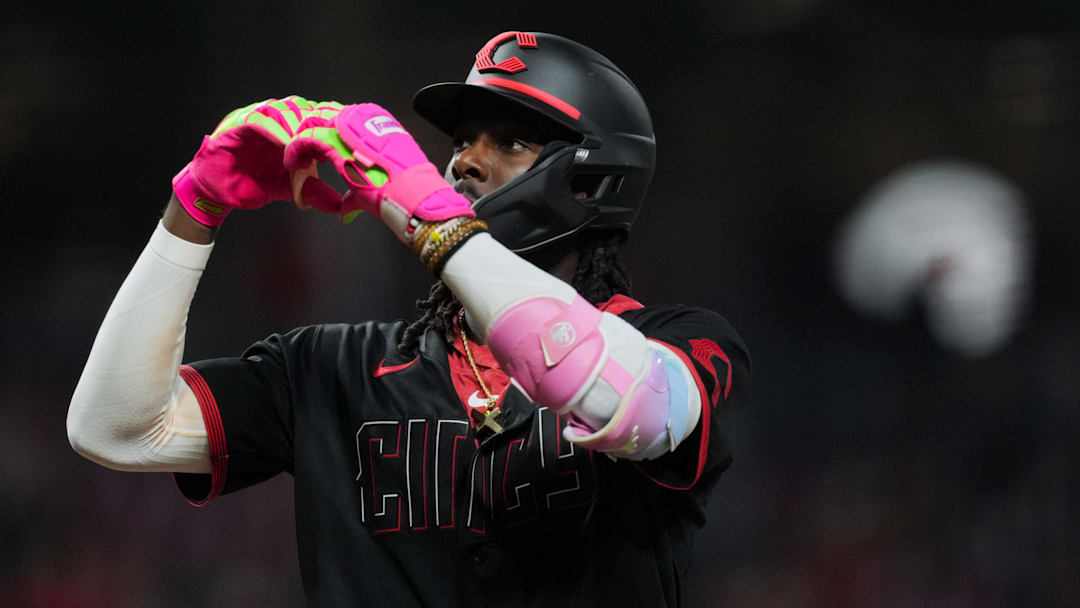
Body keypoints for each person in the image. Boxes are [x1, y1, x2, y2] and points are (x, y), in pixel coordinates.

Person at [67, 31, 750, 607]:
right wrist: (196, 205)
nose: (464, 161)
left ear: (592, 177)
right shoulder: (329, 368)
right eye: (461, 140)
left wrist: (433, 221)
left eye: (511, 141)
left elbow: (614, 397)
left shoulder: (681, 342)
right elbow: (117, 427)